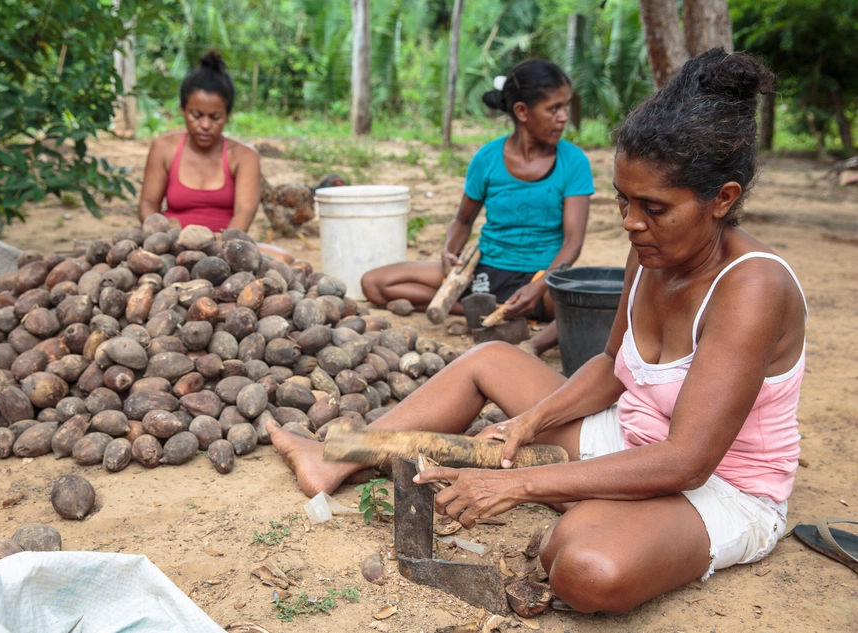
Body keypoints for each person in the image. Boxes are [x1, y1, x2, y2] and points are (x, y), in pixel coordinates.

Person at [267, 48, 807, 614]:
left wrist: (515, 486)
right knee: (489, 362)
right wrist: (531, 422)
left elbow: (687, 462)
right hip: (632, 436)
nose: (631, 223)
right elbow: (609, 365)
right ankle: (337, 458)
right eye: (624, 201)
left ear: (723, 199)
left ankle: (580, 501)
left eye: (653, 207)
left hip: (716, 485)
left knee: (583, 568)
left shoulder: (753, 289)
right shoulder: (649, 248)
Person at [361, 59, 594, 355]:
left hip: (540, 277)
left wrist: (538, 287)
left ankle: (513, 313)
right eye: (554, 109)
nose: (563, 117)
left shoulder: (573, 162)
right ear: (522, 112)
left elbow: (573, 241)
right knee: (374, 283)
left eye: (565, 107)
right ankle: (484, 309)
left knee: (584, 304)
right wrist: (449, 253)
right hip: (483, 271)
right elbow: (462, 220)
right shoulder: (487, 158)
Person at [138, 51, 292, 263]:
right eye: (196, 115)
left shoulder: (244, 156)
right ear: (183, 109)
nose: (205, 125)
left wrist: (220, 243)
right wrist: (162, 232)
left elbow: (244, 212)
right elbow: (147, 204)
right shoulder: (164, 148)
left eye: (215, 117)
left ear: (227, 115)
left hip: (223, 248)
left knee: (285, 259)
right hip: (172, 246)